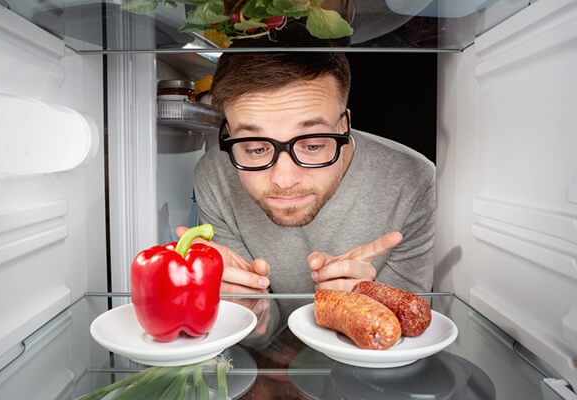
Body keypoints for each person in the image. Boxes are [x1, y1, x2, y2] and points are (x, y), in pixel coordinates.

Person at [176, 25, 435, 341]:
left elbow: (407, 330)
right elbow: (261, 328)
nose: (284, 180)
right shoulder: (215, 177)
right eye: (255, 148)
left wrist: (361, 308)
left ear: (344, 127)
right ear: (229, 134)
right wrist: (251, 311)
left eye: (312, 145)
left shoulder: (413, 180)